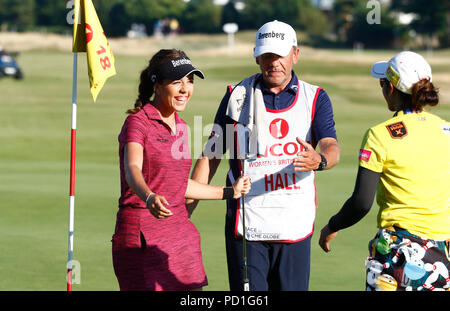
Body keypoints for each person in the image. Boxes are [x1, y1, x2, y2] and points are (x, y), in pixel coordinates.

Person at [187, 20, 340, 291]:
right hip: (246, 226)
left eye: (280, 55)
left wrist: (321, 160)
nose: (274, 63)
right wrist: (183, 212)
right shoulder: (236, 96)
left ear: (295, 54)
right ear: (257, 56)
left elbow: (330, 144)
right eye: (267, 55)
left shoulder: (315, 97)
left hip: (294, 225)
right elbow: (211, 155)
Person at [112, 49, 251, 291]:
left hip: (179, 234)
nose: (185, 89)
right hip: (140, 233)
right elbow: (132, 168)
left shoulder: (182, 127)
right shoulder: (137, 123)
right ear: (157, 85)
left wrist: (230, 191)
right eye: (177, 82)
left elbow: (179, 183)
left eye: (190, 81)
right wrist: (149, 196)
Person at [319, 51, 450, 291]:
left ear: (390, 87)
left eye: (382, 84)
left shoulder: (380, 135)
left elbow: (361, 203)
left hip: (396, 255)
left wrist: (332, 226)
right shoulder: (446, 130)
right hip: (442, 256)